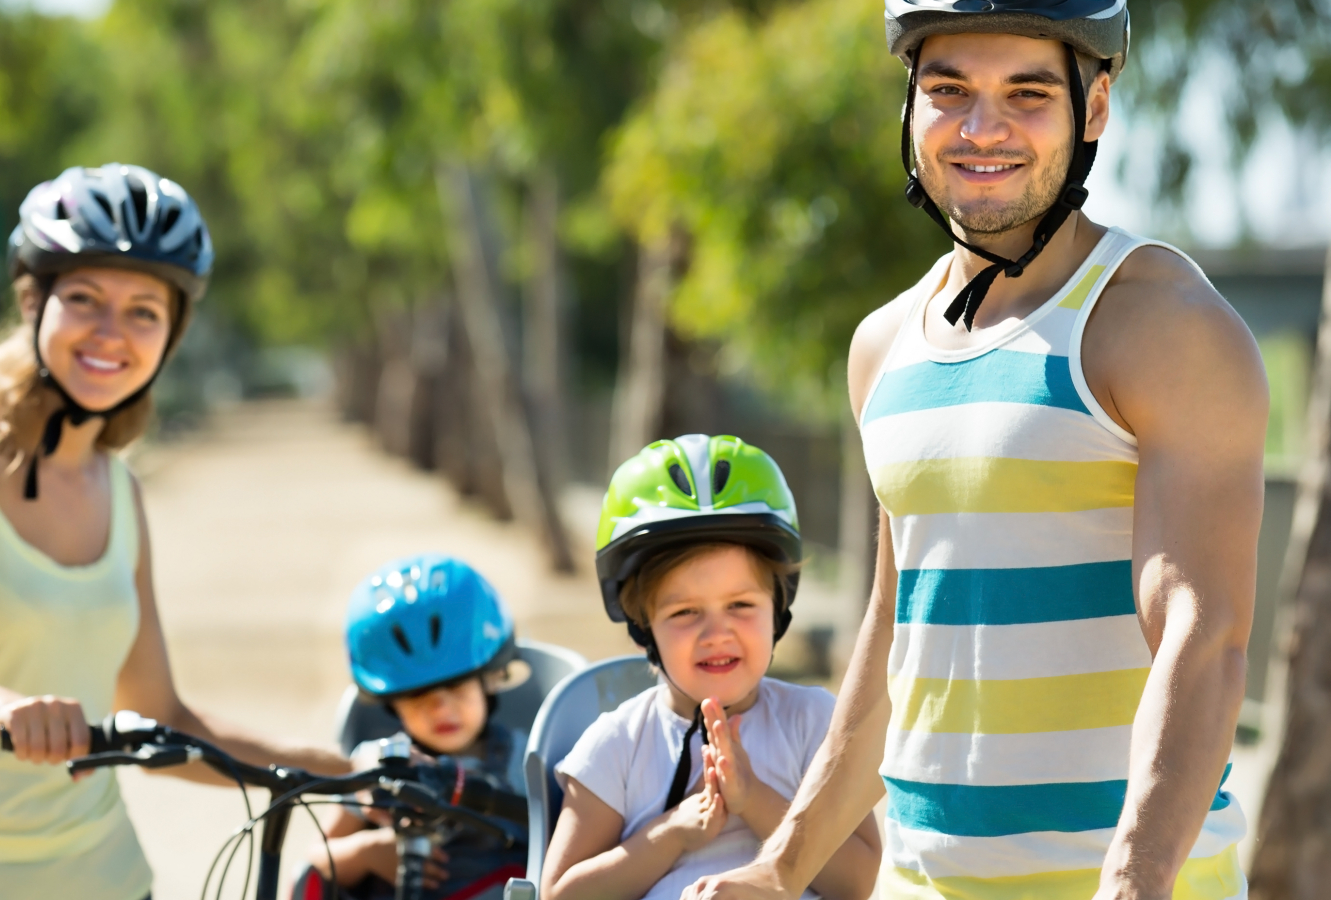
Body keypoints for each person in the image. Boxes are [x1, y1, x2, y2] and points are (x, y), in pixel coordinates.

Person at [682, 3, 1265, 900]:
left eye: (1027, 93)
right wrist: (778, 866)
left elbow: (1203, 629)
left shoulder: (1156, 322)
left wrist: (1134, 878)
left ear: (1095, 108)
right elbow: (895, 639)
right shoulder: (883, 347)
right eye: (949, 90)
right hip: (921, 882)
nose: (982, 128)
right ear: (910, 106)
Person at [0, 163, 349, 900]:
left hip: (99, 876)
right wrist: (7, 710)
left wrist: (337, 771)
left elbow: (159, 719)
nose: (112, 332)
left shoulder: (121, 492)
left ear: (171, 334)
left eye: (145, 310)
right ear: (32, 301)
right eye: (84, 299)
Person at [540, 435, 880, 900]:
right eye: (685, 612)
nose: (716, 633)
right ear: (643, 627)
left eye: (740, 604)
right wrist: (672, 833)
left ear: (778, 609)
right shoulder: (618, 744)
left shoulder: (815, 724)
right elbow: (559, 894)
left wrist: (755, 800)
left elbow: (857, 882)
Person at [306, 554, 530, 900]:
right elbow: (315, 862)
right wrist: (366, 852)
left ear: (492, 678)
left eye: (457, 686)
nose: (440, 707)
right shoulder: (376, 765)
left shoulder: (526, 760)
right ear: (390, 702)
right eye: (417, 695)